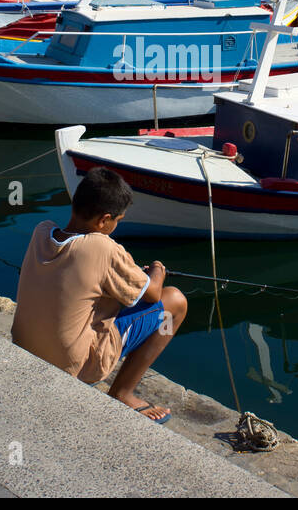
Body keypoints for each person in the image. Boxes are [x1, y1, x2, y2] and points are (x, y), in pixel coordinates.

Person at [11, 167, 187, 424]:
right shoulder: (101, 246)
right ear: (104, 220)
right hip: (74, 366)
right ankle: (123, 392)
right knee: (175, 302)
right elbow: (153, 294)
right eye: (118, 220)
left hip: (26, 349)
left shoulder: (41, 231)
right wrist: (158, 270)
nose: (116, 226)